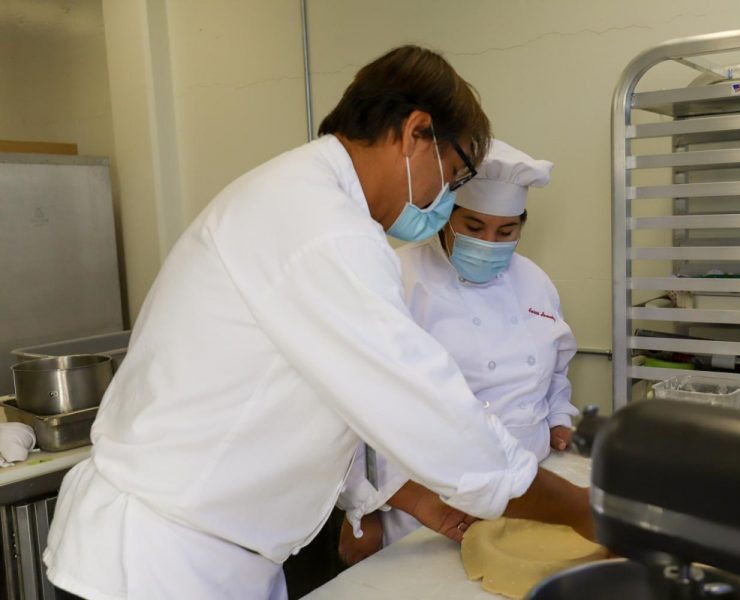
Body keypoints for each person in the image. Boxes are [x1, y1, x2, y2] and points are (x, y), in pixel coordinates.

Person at [44, 46, 592, 600]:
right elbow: (423, 405)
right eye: (450, 179)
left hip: (213, 556)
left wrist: (415, 498)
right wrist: (587, 515)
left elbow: (329, 405)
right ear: (414, 133)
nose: (440, 202)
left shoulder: (307, 202)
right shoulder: (323, 227)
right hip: (156, 564)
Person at [338, 140, 580, 564]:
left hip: (531, 488)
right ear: (446, 218)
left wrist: (559, 417)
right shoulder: (398, 277)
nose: (490, 242)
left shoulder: (536, 281)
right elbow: (356, 407)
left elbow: (555, 367)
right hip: (434, 507)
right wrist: (363, 504)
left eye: (506, 232)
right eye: (473, 227)